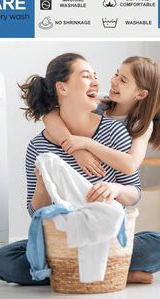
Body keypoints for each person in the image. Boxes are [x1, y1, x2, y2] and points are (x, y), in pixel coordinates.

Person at [0, 52, 142, 286]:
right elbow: (35, 213)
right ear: (62, 88)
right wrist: (44, 181)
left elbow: (134, 193)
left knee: (155, 242)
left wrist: (113, 189)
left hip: (106, 231)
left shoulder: (114, 131)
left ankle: (69, 273)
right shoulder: (38, 146)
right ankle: (113, 271)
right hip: (63, 237)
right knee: (4, 260)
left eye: (95, 76)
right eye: (86, 76)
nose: (96, 81)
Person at [42, 55, 160, 284]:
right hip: (80, 201)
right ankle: (116, 271)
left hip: (112, 201)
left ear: (141, 93)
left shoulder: (141, 125)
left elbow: (129, 164)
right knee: (9, 258)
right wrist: (75, 148)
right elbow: (49, 116)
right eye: (116, 73)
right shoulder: (100, 105)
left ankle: (93, 270)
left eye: (123, 80)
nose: (114, 81)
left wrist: (87, 144)